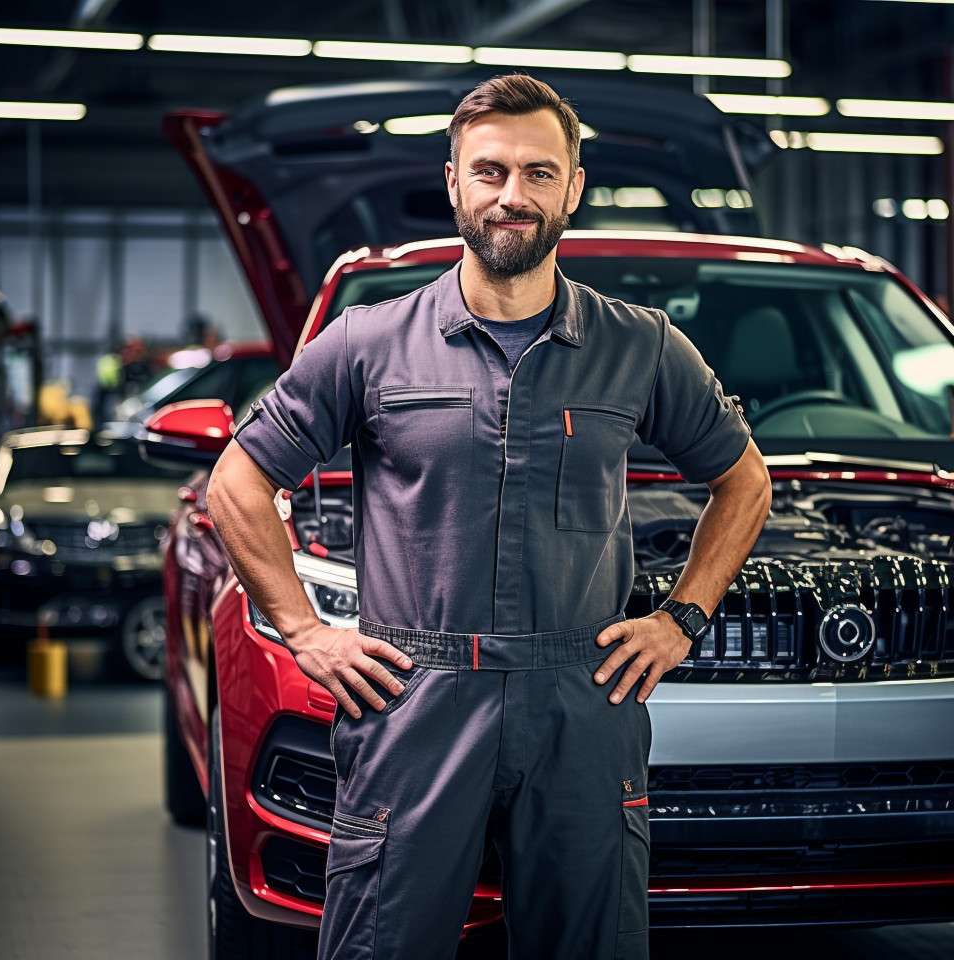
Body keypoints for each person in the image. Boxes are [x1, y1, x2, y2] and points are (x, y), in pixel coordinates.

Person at [207, 74, 772, 960]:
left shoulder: (642, 345)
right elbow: (237, 481)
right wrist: (305, 633)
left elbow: (745, 481)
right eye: (492, 171)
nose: (515, 195)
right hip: (416, 694)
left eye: (540, 173)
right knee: (383, 944)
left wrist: (680, 618)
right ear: (454, 182)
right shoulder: (366, 343)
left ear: (574, 188)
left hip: (583, 698)